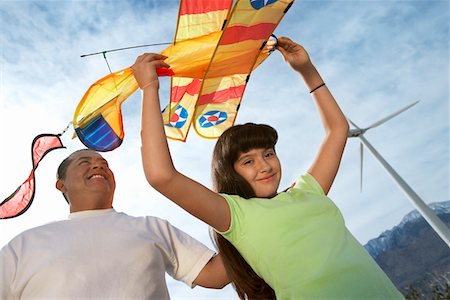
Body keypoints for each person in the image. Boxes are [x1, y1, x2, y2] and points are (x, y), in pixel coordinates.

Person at [133, 37, 404, 299]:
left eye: (268, 154)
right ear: (231, 172)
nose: (264, 166)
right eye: (248, 161)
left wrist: (306, 71)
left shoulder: (307, 191)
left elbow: (338, 129)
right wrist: (149, 89)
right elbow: (162, 176)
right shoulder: (235, 215)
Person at [0, 149, 229, 299]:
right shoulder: (24, 245)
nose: (98, 166)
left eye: (104, 163)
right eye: (85, 162)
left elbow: (216, 275)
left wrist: (251, 212)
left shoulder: (152, 228)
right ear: (62, 185)